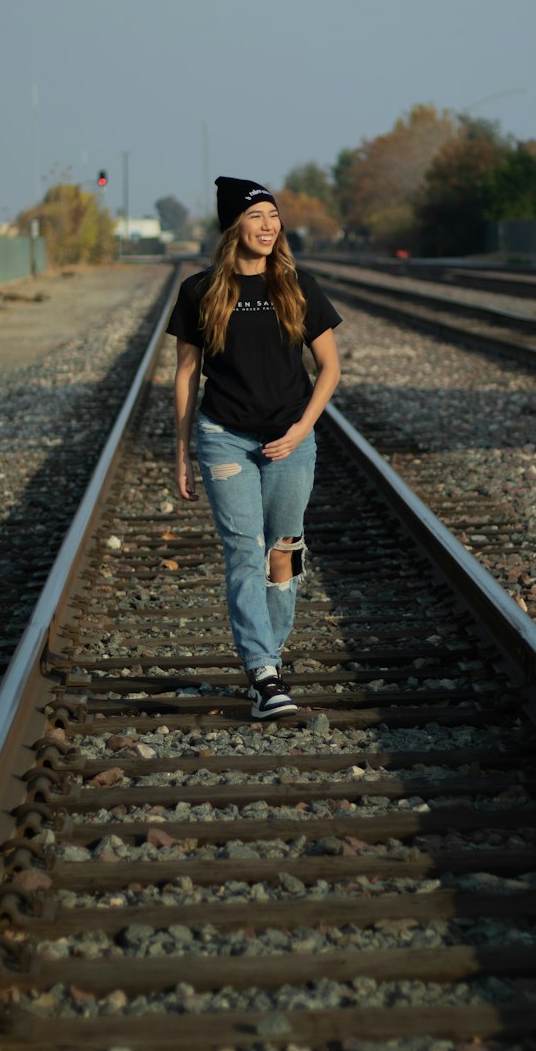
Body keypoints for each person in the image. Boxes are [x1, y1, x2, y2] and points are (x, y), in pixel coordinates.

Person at [167, 176, 341, 719]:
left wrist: (302, 429)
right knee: (244, 552)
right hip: (225, 438)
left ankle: (269, 657)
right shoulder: (200, 291)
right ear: (233, 227)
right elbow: (185, 375)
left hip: (291, 439)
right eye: (256, 216)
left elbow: (330, 368)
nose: (268, 226)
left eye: (273, 215)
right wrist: (179, 450)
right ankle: (264, 674)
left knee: (282, 551)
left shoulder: (297, 286)